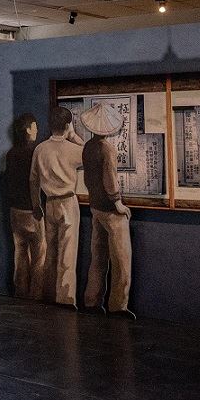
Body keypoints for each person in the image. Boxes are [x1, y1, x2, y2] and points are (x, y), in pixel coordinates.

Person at [78, 103, 135, 317]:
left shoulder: (88, 146)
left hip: (95, 207)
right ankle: (118, 306)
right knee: (121, 261)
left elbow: (88, 179)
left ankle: (91, 301)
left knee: (98, 257)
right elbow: (110, 179)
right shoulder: (107, 149)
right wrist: (117, 202)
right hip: (111, 211)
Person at [31, 105, 86, 309]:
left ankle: (48, 295)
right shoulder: (72, 149)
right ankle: (65, 299)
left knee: (51, 253)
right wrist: (74, 136)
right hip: (68, 202)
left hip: (49, 203)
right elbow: (88, 152)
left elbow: (33, 180)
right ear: (67, 125)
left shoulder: (40, 149)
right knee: (67, 255)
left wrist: (36, 205)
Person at [4, 113, 46, 300]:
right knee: (39, 255)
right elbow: (37, 181)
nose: (37, 130)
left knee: (20, 252)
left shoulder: (11, 153)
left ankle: (20, 291)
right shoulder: (35, 153)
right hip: (32, 210)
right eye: (35, 127)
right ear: (28, 129)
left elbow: (8, 182)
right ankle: (36, 294)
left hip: (15, 210)